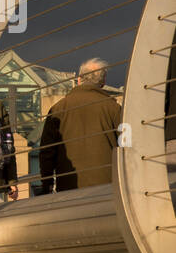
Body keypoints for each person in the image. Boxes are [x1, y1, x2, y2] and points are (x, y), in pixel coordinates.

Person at [39, 57, 122, 192]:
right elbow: (127, 146)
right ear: (103, 82)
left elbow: (47, 151)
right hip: (106, 186)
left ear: (78, 79)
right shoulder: (114, 108)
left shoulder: (57, 109)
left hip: (69, 185)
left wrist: (46, 182)